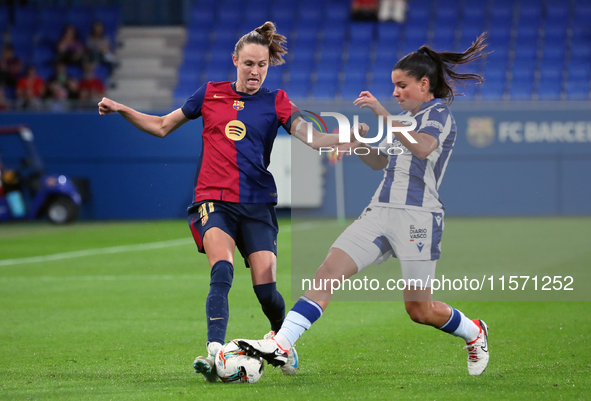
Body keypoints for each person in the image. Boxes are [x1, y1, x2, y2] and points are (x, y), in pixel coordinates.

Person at [98, 21, 345, 382]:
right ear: (235, 61)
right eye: (248, 64)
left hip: (258, 204)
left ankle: (283, 342)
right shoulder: (209, 94)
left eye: (262, 65)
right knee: (222, 269)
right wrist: (123, 108)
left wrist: (343, 138)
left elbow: (310, 137)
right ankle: (215, 352)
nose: (255, 71)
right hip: (214, 200)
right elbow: (163, 126)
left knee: (267, 291)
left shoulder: (276, 101)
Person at [237, 34, 491, 377]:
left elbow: (423, 148)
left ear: (424, 84)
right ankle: (283, 343)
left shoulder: (439, 114)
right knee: (328, 271)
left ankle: (474, 332)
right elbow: (380, 163)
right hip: (380, 211)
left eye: (401, 86)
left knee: (419, 310)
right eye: (394, 87)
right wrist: (356, 144)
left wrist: (383, 114)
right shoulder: (402, 119)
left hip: (419, 219)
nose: (396, 93)